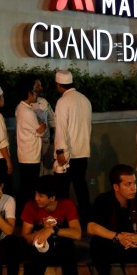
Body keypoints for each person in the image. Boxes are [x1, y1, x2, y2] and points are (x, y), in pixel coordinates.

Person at [21, 175, 81, 275]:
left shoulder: (67, 204)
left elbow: (77, 234)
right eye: (36, 194)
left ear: (52, 198)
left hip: (62, 248)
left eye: (41, 196)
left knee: (68, 247)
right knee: (38, 254)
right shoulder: (31, 206)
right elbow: (26, 237)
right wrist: (44, 230)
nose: (36, 198)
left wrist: (53, 229)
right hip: (41, 247)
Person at [53, 70, 92, 222]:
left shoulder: (63, 101)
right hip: (82, 151)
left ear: (59, 85)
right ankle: (85, 219)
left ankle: (63, 220)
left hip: (68, 154)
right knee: (80, 187)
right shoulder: (84, 99)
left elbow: (61, 128)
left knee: (62, 190)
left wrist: (60, 151)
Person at [15, 77, 47, 213]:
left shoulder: (21, 108)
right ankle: (26, 216)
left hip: (26, 154)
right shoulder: (27, 112)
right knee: (29, 188)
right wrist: (43, 125)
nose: (37, 93)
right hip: (30, 155)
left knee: (26, 186)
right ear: (29, 93)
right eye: (35, 90)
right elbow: (40, 131)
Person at [31, 78, 56, 176]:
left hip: (45, 142)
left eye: (40, 85)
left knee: (46, 171)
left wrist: (54, 139)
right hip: (32, 144)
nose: (41, 88)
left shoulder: (44, 102)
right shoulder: (24, 105)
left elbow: (52, 120)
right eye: (38, 86)